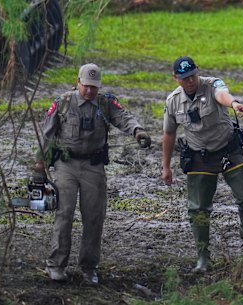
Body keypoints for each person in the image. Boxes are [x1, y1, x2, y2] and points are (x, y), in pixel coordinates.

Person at [34, 63, 151, 284]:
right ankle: (56, 264)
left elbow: (123, 117)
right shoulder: (63, 103)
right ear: (78, 82)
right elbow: (47, 134)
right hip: (65, 165)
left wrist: (137, 131)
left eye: (94, 87)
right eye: (86, 86)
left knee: (94, 217)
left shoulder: (105, 103)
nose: (89, 91)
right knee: (64, 213)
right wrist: (40, 164)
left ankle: (89, 267)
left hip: (93, 167)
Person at [161, 56, 243, 273]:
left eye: (192, 76)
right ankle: (203, 256)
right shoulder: (173, 101)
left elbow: (222, 95)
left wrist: (234, 103)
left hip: (228, 150)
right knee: (198, 209)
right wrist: (166, 167)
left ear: (197, 72)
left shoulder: (212, 85)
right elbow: (169, 133)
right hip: (200, 156)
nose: (190, 81)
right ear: (176, 79)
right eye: (184, 78)